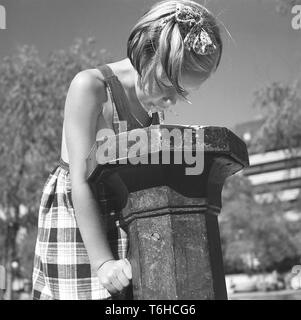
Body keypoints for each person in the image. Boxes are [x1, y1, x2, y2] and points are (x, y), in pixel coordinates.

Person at [32, 0, 223, 300]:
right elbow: (79, 182)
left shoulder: (152, 107)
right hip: (81, 221)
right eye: (166, 86)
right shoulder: (91, 88)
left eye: (182, 95)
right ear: (145, 52)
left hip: (123, 214)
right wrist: (103, 262)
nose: (170, 103)